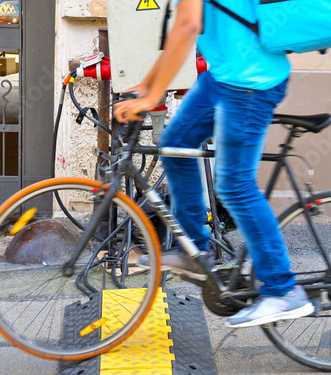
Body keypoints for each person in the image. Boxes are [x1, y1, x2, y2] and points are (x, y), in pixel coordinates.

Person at [113, 0, 313, 328]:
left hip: (250, 81)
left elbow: (187, 26)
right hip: (223, 76)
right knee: (174, 146)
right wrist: (146, 88)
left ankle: (283, 290)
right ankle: (194, 251)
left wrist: (151, 97)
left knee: (235, 185)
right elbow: (182, 33)